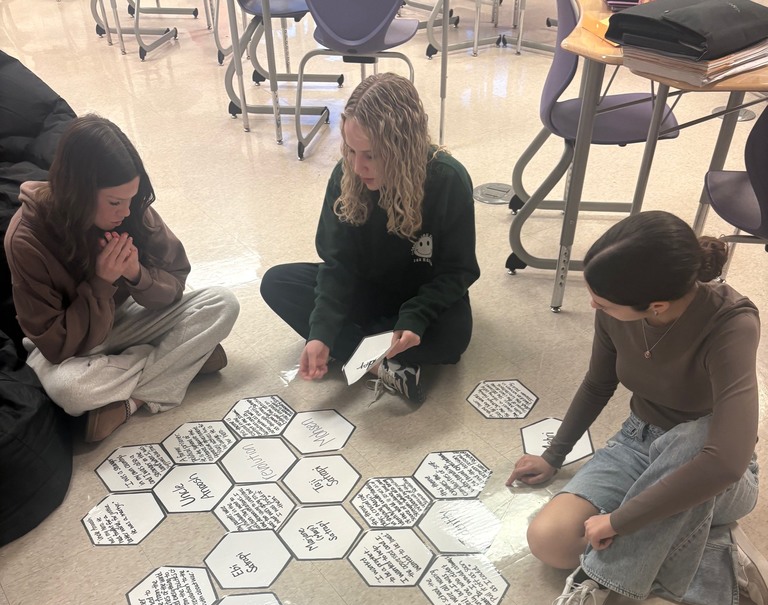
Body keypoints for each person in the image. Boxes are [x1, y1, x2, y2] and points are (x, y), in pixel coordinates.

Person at [507, 211, 767, 605]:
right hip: (637, 440)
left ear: (657, 306)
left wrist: (618, 523)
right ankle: (710, 547)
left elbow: (726, 461)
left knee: (694, 439)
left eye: (603, 303)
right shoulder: (618, 308)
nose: (593, 306)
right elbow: (598, 383)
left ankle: (595, 580)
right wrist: (554, 455)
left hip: (715, 471)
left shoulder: (731, 323)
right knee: (550, 541)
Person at [4, 114, 240, 443]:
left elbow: (175, 282)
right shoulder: (26, 237)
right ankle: (186, 360)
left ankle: (132, 401)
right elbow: (55, 345)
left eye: (131, 199)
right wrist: (100, 285)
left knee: (223, 303)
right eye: (115, 202)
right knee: (70, 390)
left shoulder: (131, 208)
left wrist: (137, 275)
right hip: (69, 345)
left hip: (126, 318)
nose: (126, 212)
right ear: (77, 192)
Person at [260, 73, 480, 405]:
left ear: (403, 148)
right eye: (350, 151)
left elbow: (458, 270)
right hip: (366, 290)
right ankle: (378, 361)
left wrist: (416, 316)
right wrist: (321, 333)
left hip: (422, 294)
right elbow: (338, 264)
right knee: (278, 283)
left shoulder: (448, 179)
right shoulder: (346, 175)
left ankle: (357, 346)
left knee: (454, 336)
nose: (357, 165)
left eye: (371, 155)